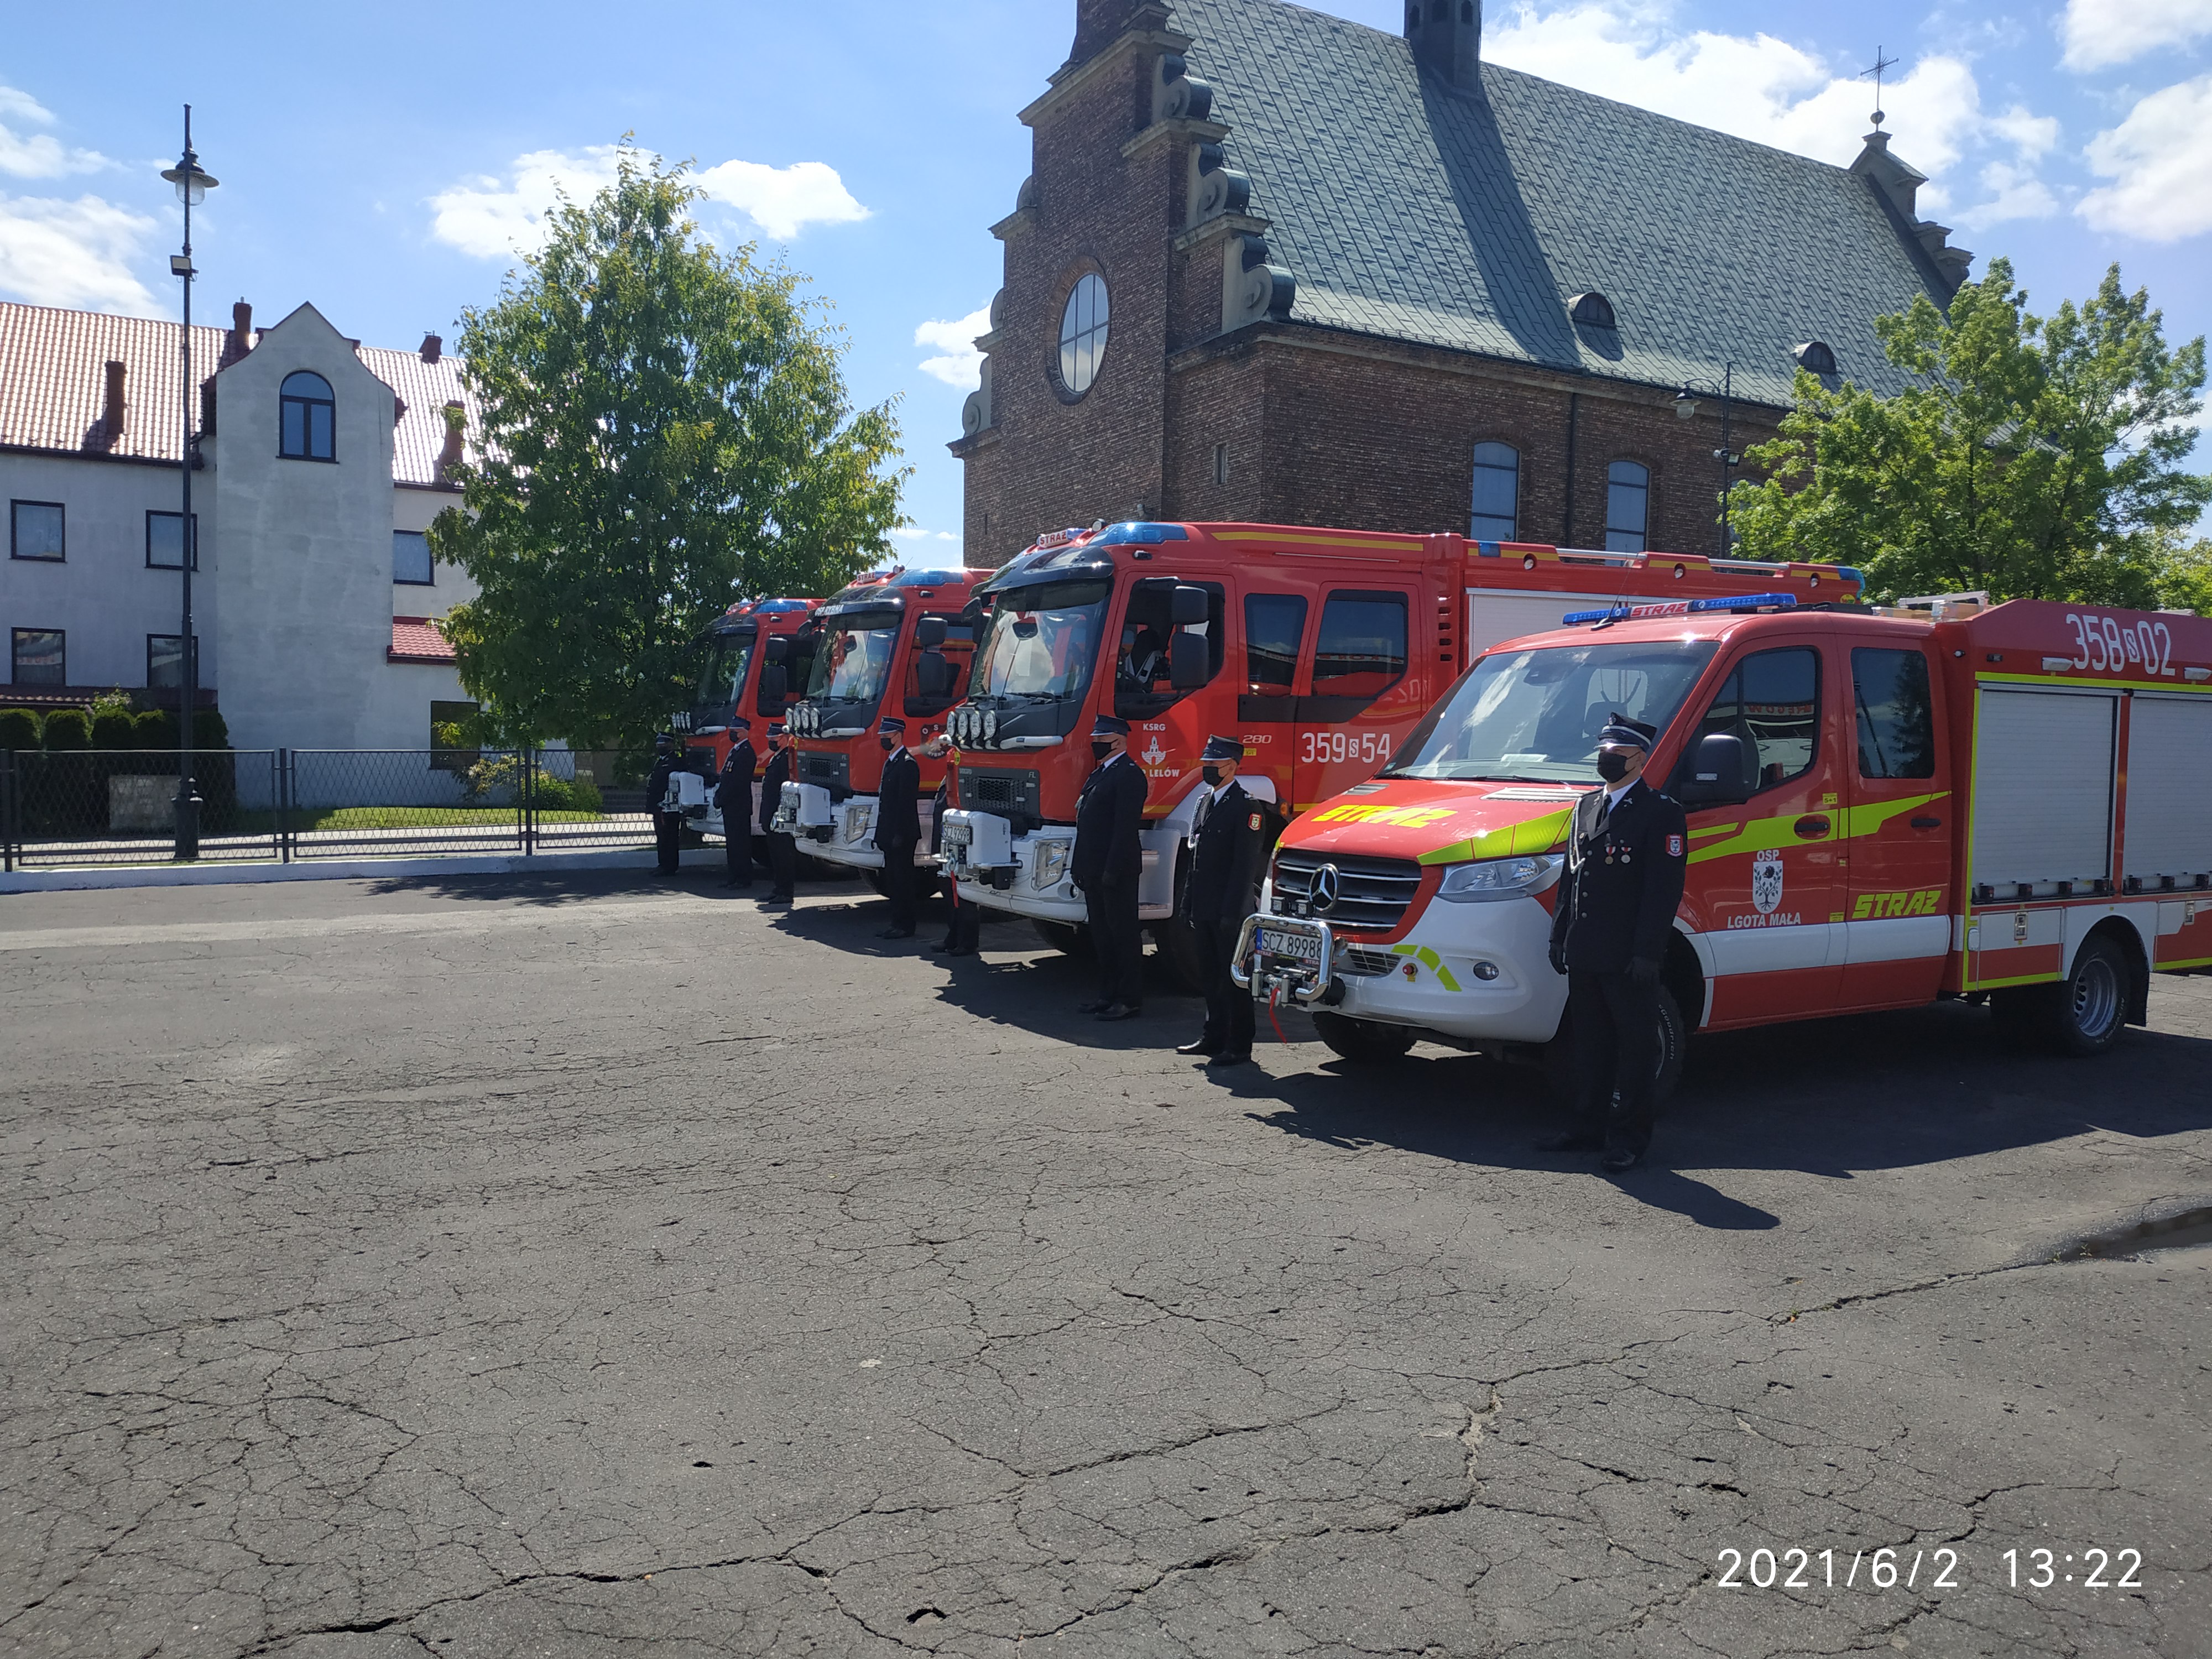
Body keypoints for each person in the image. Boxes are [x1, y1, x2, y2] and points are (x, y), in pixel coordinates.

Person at [1541, 712, 1688, 1172]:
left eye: (1616, 753)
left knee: (1635, 1050)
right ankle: (1586, 1127)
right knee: (1590, 1047)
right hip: (1587, 949)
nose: (1606, 759)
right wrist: (1560, 934)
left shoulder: (1660, 812)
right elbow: (1572, 879)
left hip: (1627, 956)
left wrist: (1648, 952)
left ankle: (1630, 1139)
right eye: (1603, 751)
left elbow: (1663, 890)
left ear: (1639, 759)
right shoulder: (1587, 806)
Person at [1177, 735, 1267, 1066]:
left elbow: (1244, 867)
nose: (1208, 769)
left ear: (1231, 767)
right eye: (1206, 763)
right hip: (1204, 905)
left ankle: (1239, 1044)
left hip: (1228, 910)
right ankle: (1213, 1036)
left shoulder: (1246, 807)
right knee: (1210, 975)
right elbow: (1196, 857)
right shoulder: (1205, 802)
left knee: (1233, 978)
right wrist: (1187, 904)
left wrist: (1233, 912)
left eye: (1214, 764)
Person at [1072, 712, 1149, 1020]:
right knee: (1102, 935)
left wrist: (1112, 871)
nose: (1095, 744)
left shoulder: (1129, 775)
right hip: (1093, 868)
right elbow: (1085, 822)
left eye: (1101, 740)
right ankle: (1107, 994)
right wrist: (1079, 865)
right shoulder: (1100, 773)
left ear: (1117, 742)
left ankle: (1128, 998)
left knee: (1123, 935)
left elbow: (1124, 829)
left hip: (1116, 870)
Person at [924, 733, 980, 957]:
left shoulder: (965, 765)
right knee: (949, 890)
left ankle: (967, 941)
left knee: (963, 893)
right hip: (946, 841)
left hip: (958, 840)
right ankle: (954, 936)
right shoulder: (951, 766)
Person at [874, 717, 922, 940]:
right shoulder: (891, 762)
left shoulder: (907, 764)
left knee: (903, 881)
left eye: (886, 736)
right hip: (889, 833)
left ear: (898, 736)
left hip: (902, 834)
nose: (883, 739)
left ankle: (906, 925)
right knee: (893, 881)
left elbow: (906, 804)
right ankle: (896, 922)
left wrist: (900, 835)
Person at [714, 718, 756, 889]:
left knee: (740, 844)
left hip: (739, 806)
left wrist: (723, 798)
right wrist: (719, 795)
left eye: (735, 732)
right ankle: (733, 876)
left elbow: (738, 783)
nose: (732, 734)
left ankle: (743, 878)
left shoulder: (746, 753)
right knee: (732, 844)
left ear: (744, 732)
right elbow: (726, 777)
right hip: (730, 806)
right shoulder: (736, 750)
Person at [759, 723, 797, 904]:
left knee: (783, 855)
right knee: (775, 854)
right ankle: (778, 888)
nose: (771, 741)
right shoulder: (777, 757)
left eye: (774, 738)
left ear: (784, 738)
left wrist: (778, 814)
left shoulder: (786, 759)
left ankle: (786, 892)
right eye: (769, 738)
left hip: (779, 814)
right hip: (771, 813)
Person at [646, 733, 685, 877]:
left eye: (663, 744)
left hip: (668, 806)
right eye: (659, 744)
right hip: (659, 806)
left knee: (669, 837)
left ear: (671, 745)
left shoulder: (675, 762)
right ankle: (663, 864)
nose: (660, 747)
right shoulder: (660, 762)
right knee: (662, 837)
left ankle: (669, 866)